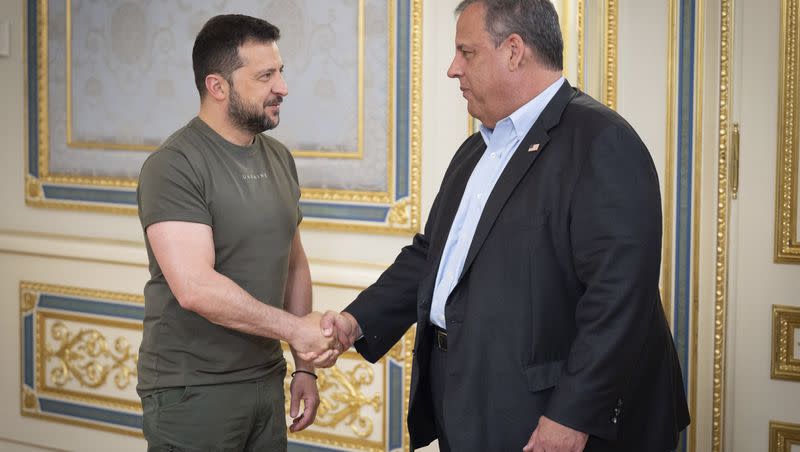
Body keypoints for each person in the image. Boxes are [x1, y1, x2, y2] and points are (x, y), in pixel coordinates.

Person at [320, 1, 690, 451]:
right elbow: (430, 256)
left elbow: (619, 297)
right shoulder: (475, 152)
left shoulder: (601, 140)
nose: (453, 69)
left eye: (467, 52)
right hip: (472, 399)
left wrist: (571, 415)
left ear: (514, 51)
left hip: (553, 414)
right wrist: (355, 321)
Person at [136, 14, 338, 452]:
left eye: (280, 71)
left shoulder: (279, 157)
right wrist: (296, 331)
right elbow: (195, 288)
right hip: (191, 392)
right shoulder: (173, 165)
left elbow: (293, 262)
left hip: (266, 380)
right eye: (266, 75)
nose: (282, 87)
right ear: (218, 86)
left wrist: (304, 367)